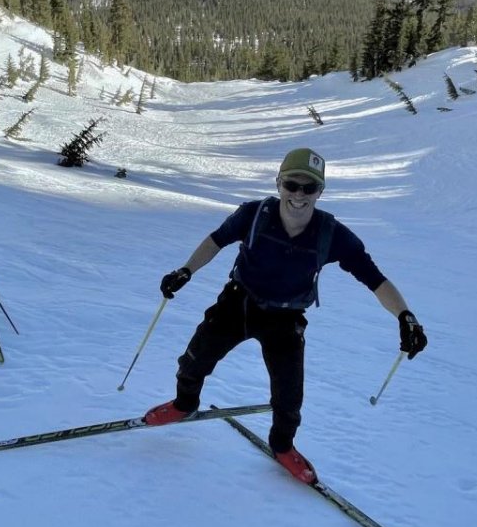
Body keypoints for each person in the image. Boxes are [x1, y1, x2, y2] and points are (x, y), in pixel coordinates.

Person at [143, 147, 427, 483]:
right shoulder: (253, 214)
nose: (299, 195)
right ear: (279, 183)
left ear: (321, 191)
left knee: (289, 395)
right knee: (194, 360)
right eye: (292, 185)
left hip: (286, 318)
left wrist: (405, 316)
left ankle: (282, 445)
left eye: (310, 188)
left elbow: (375, 279)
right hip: (238, 303)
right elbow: (216, 240)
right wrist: (186, 270)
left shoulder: (331, 234)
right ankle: (183, 403)